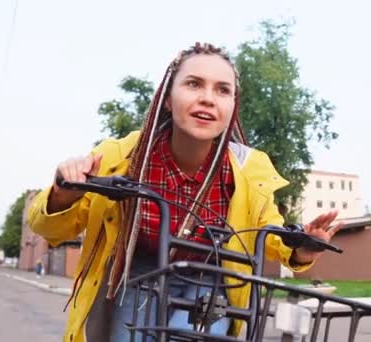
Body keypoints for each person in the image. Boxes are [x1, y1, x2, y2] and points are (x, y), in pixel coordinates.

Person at [28, 42, 343, 342]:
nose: (208, 98)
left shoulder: (249, 168)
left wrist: (301, 246)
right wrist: (62, 195)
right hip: (138, 273)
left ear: (232, 106)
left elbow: (267, 231)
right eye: (194, 84)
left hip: (209, 279)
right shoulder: (119, 157)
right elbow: (46, 227)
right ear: (167, 98)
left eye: (222, 90)